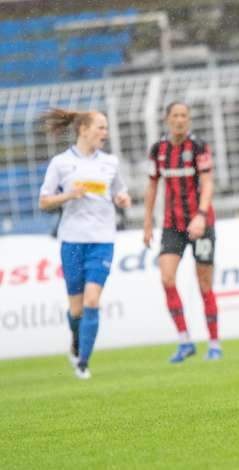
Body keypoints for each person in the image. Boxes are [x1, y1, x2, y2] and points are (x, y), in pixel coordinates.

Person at [38, 108, 131, 379]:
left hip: (102, 240)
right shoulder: (61, 163)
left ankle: (83, 363)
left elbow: (120, 191)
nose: (105, 133)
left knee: (92, 300)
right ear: (83, 129)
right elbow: (44, 201)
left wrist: (123, 199)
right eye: (100, 127)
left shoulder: (110, 163)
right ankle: (77, 342)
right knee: (76, 308)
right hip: (72, 241)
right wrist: (68, 195)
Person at [143, 102, 222, 362]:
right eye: (175, 115)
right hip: (172, 225)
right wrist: (146, 223)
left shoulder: (198, 147)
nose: (180, 120)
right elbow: (152, 187)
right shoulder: (158, 150)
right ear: (167, 119)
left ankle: (213, 343)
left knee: (204, 284)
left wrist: (200, 215)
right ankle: (185, 341)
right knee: (166, 279)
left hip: (202, 225)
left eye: (184, 116)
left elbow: (208, 183)